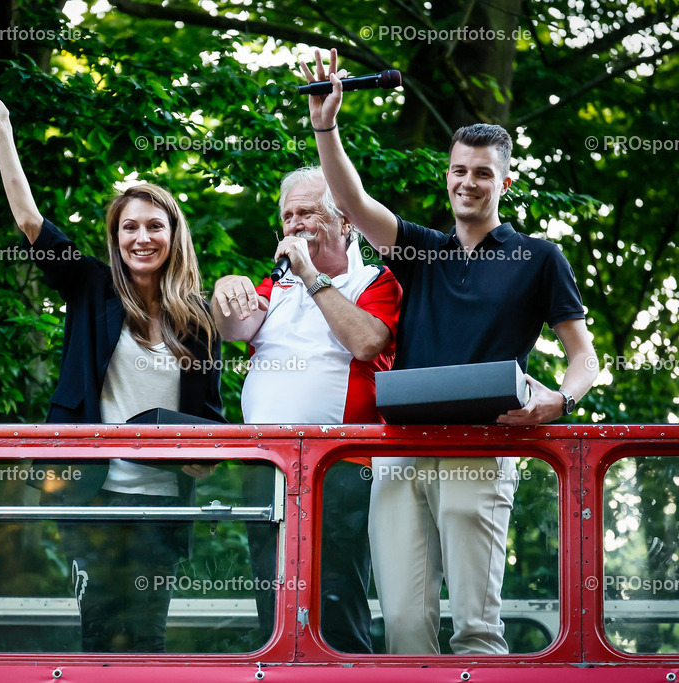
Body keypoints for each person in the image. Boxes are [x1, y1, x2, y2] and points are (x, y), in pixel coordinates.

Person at [300, 49, 598, 654]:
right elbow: (353, 203)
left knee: (476, 630)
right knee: (404, 630)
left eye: (483, 172)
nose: (469, 181)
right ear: (448, 176)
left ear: (504, 182)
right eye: (460, 170)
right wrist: (325, 125)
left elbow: (585, 357)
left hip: (481, 451)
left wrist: (560, 400)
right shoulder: (422, 249)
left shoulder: (540, 258)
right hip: (400, 451)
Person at [0, 88, 224, 652]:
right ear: (115, 236)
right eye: (129, 227)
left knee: (147, 637)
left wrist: (203, 459)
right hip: (95, 495)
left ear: (174, 236)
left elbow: (210, 421)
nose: (141, 238)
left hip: (163, 504)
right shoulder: (91, 286)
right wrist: (3, 131)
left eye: (154, 226)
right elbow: (29, 219)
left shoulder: (198, 320)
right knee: (99, 634)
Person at [213, 166, 401, 652]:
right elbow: (233, 330)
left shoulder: (375, 280)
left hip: (340, 466)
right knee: (270, 607)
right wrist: (224, 292)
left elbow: (366, 343)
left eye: (309, 213)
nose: (295, 224)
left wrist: (313, 278)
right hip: (267, 465)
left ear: (347, 223)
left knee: (335, 605)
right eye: (288, 215)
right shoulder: (274, 285)